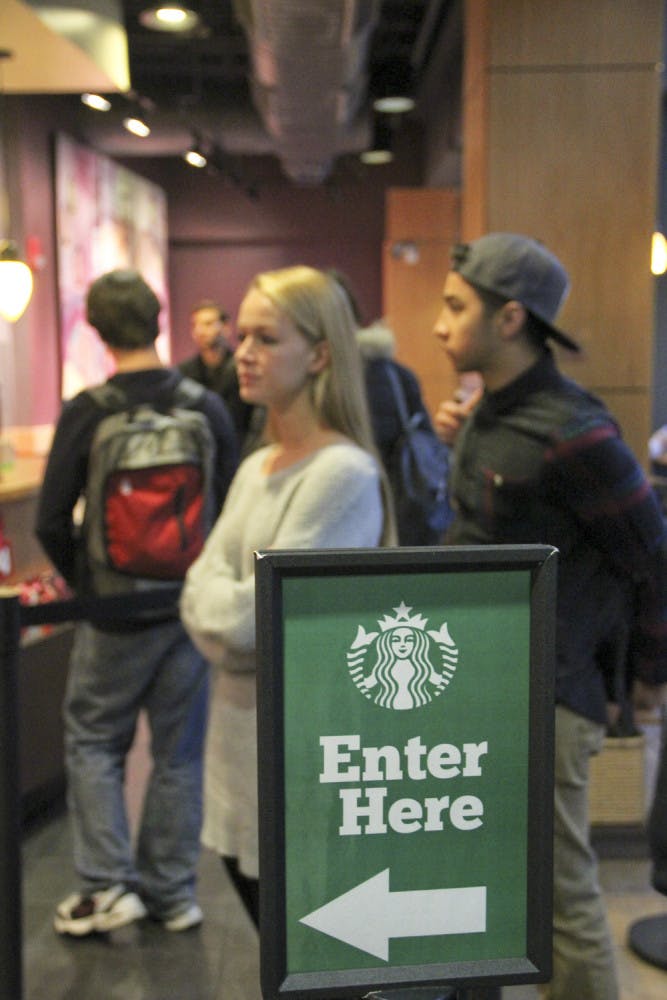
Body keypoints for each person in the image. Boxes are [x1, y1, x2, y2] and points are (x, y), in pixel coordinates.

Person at [432, 232, 667, 1000]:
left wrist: (648, 679)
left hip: (546, 693)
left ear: (508, 320)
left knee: (558, 898)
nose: (439, 324)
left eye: (453, 306)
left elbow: (653, 558)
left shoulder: (574, 432)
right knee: (498, 888)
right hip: (483, 686)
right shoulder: (489, 414)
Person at [180, 265, 395, 928]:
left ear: (320, 354)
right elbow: (199, 593)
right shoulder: (254, 467)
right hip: (240, 746)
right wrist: (227, 620)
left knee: (311, 950)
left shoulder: (342, 475)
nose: (241, 351)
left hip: (302, 758)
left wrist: (226, 622)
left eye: (265, 338)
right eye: (241, 334)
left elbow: (252, 623)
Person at [35, 269, 239, 936]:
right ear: (159, 319)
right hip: (187, 608)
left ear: (97, 329)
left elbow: (48, 521)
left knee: (95, 740)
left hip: (112, 613)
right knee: (180, 753)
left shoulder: (89, 410)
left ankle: (103, 886)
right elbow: (229, 506)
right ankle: (172, 893)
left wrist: (90, 585)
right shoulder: (203, 406)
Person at [178, 298, 264, 454]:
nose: (200, 330)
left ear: (225, 327)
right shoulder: (184, 373)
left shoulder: (244, 368)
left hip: (240, 453)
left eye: (208, 324)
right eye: (196, 325)